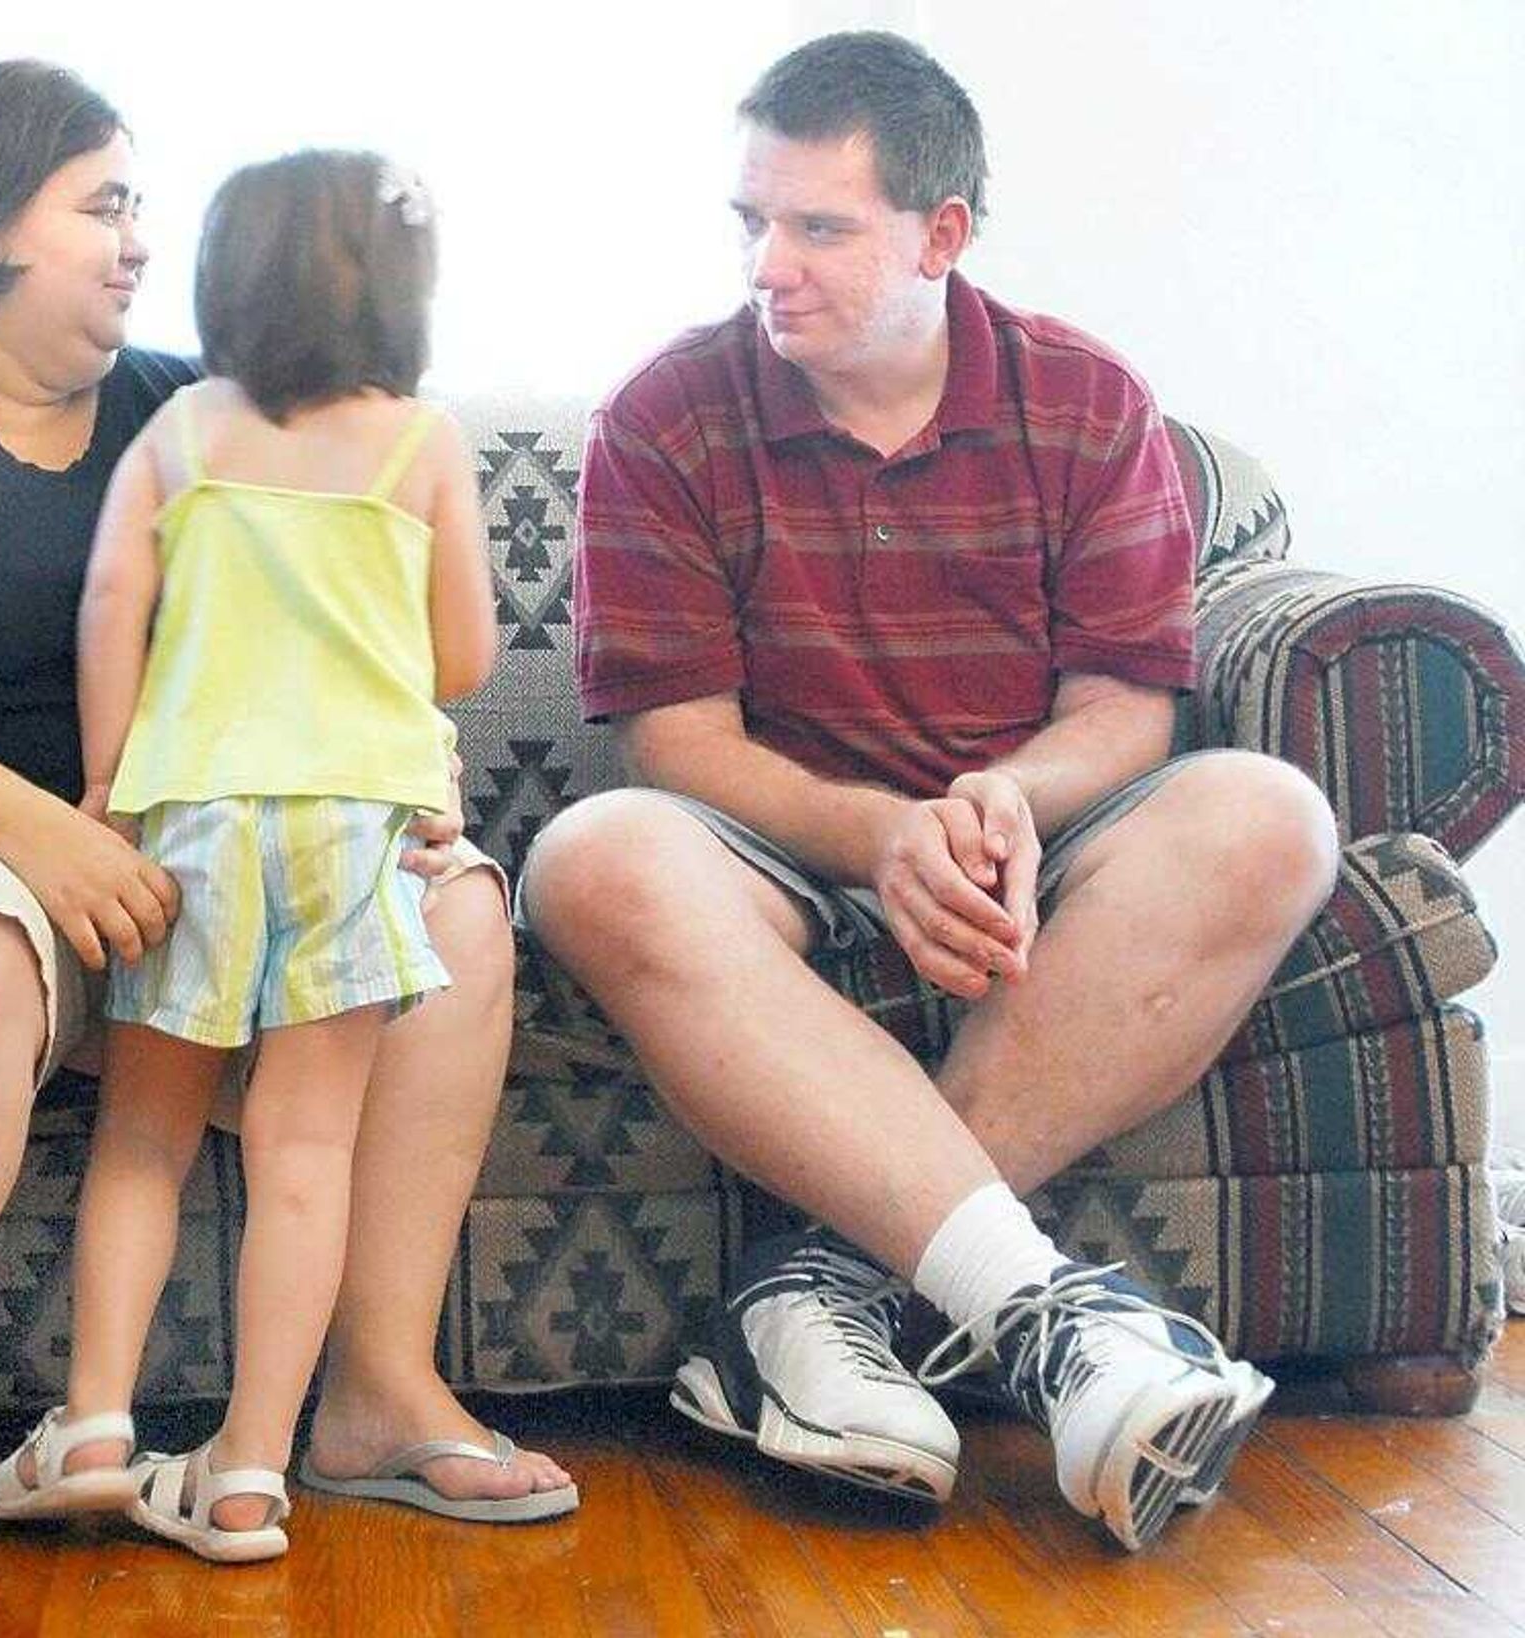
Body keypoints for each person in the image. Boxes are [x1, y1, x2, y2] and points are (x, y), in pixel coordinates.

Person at [0, 64, 570, 1612]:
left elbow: (362, 636)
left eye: (145, 208)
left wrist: (379, 799)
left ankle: (375, 1392)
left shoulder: (190, 412)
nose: (139, 243)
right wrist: (49, 838)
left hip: (174, 887)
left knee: (458, 912)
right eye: (103, 203)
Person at [519, 31, 1340, 1552]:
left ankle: (814, 1290)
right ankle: (1058, 1324)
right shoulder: (668, 415)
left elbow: (1124, 712)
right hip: (778, 843)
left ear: (941, 234)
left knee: (1270, 815)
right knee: (591, 854)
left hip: (1024, 842)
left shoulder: (1089, 402)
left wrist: (999, 805)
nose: (771, 265)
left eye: (819, 228)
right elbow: (677, 743)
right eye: (750, 222)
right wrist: (881, 835)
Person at [0, 146, 535, 1564]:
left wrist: (107, 780)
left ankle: (96, 1421)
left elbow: (113, 599)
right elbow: (463, 653)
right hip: (353, 831)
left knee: (146, 1137)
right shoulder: (425, 444)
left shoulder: (182, 433)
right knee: (306, 1153)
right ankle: (247, 1476)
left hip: (194, 822)